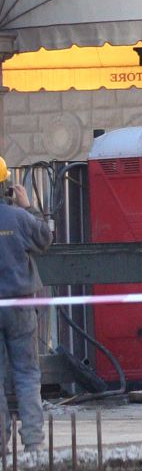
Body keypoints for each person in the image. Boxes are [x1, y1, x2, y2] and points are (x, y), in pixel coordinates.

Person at [0, 180, 52, 455]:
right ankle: (33, 442)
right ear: (5, 187)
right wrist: (28, 207)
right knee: (27, 374)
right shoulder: (19, 218)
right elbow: (44, 239)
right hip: (19, 308)